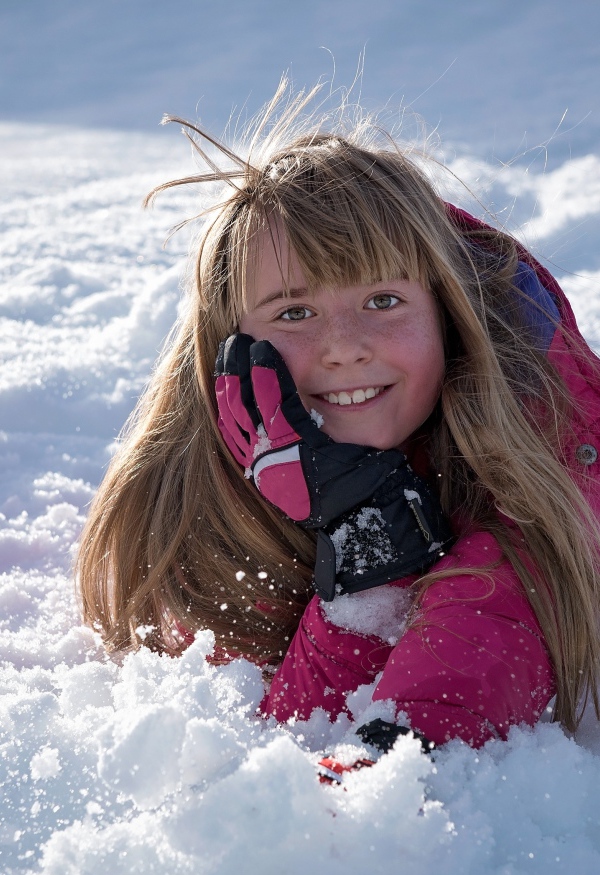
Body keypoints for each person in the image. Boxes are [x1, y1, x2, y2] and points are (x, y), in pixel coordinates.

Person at [76, 85, 600, 762]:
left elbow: (498, 613)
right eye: (295, 313)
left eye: (383, 300)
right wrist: (362, 559)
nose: (346, 345)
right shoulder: (198, 478)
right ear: (232, 349)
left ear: (446, 315)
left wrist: (386, 762)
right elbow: (267, 737)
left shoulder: (539, 429)